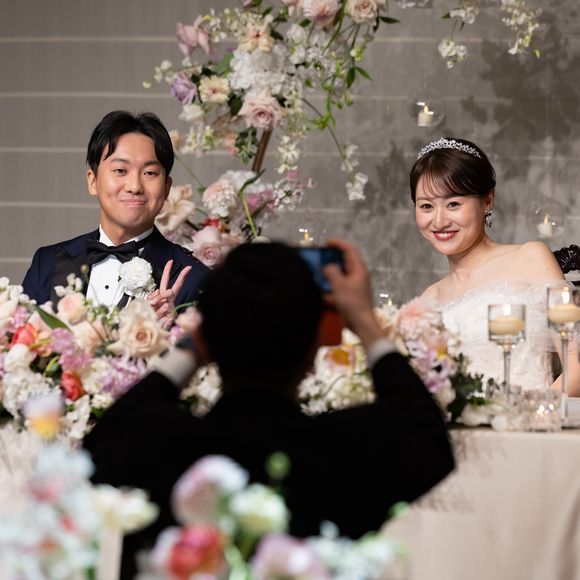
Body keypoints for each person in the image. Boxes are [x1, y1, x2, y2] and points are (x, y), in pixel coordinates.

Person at [84, 239, 454, 577]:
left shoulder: (156, 442)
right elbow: (426, 435)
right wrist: (365, 322)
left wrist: (190, 349)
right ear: (315, 346)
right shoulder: (346, 450)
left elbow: (98, 445)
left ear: (207, 339)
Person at [410, 136, 580, 394]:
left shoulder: (530, 259)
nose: (439, 220)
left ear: (487, 201)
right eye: (426, 206)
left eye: (453, 204)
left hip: (532, 415)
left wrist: (527, 412)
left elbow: (576, 366)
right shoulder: (428, 299)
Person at [22, 111, 208, 324]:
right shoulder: (47, 262)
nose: (134, 186)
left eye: (150, 173)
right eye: (120, 170)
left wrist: (170, 335)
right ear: (93, 181)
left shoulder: (194, 279)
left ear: (166, 188)